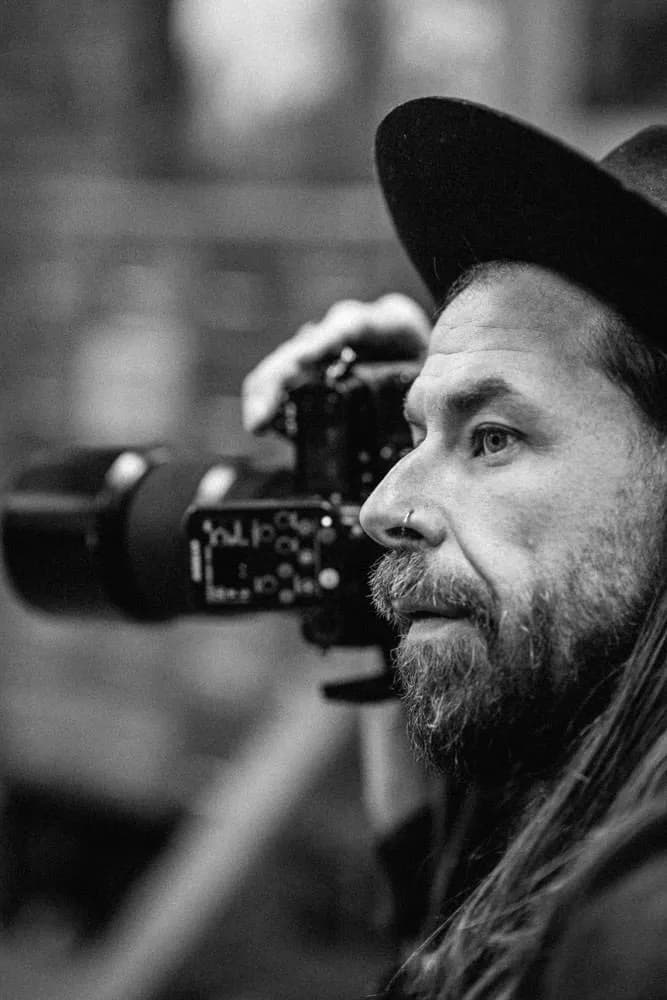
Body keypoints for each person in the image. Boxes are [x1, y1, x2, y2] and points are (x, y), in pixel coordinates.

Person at [243, 98, 667, 999]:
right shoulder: (595, 788)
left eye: (494, 438)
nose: (380, 504)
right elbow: (444, 927)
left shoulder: (638, 936)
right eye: (410, 438)